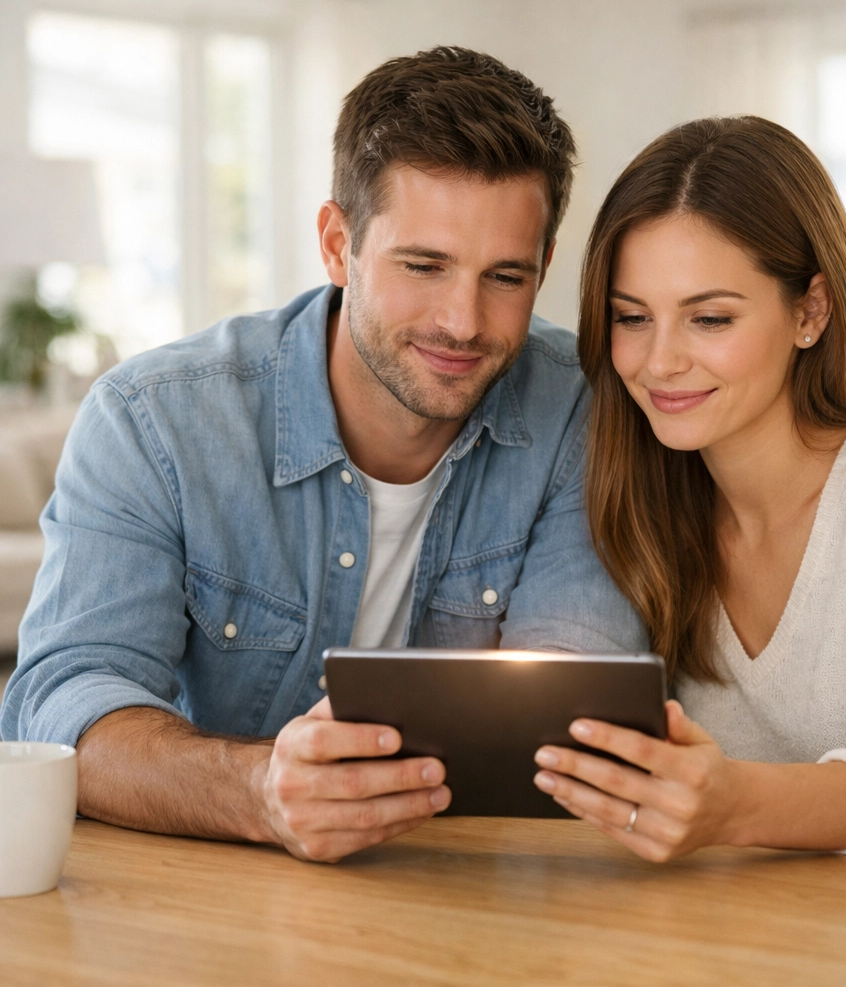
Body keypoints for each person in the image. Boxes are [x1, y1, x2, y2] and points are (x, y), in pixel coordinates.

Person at [0, 47, 646, 862]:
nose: (464, 321)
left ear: (546, 267)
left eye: (506, 277)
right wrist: (260, 790)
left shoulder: (583, 410)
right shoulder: (152, 421)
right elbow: (62, 710)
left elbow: (570, 718)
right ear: (338, 244)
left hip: (472, 894)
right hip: (207, 894)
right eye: (424, 265)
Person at [531, 116, 846, 862]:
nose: (659, 362)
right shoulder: (642, 495)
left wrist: (739, 806)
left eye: (710, 318)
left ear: (810, 310)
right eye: (632, 318)